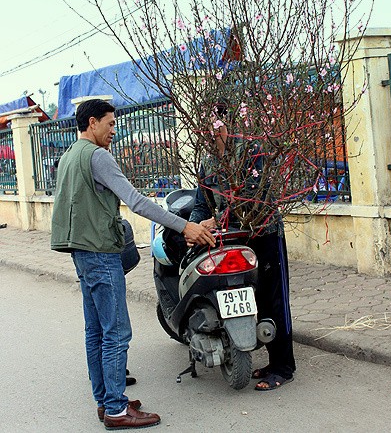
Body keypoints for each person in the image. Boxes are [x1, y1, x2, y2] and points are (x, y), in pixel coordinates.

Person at [51, 99, 215, 429]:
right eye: (110, 124)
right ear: (93, 122)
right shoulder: (98, 156)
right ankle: (116, 409)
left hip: (81, 252)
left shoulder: (69, 156)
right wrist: (185, 226)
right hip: (100, 252)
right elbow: (136, 201)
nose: (114, 131)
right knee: (116, 332)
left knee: (95, 330)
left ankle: (106, 400)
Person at [188, 119, 296, 392]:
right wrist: (192, 227)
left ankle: (283, 367)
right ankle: (268, 362)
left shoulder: (251, 153)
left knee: (275, 299)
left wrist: (216, 219)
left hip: (265, 233)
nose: (209, 135)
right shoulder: (208, 162)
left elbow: (251, 198)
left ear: (225, 127)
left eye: (214, 129)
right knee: (253, 299)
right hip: (235, 238)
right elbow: (202, 202)